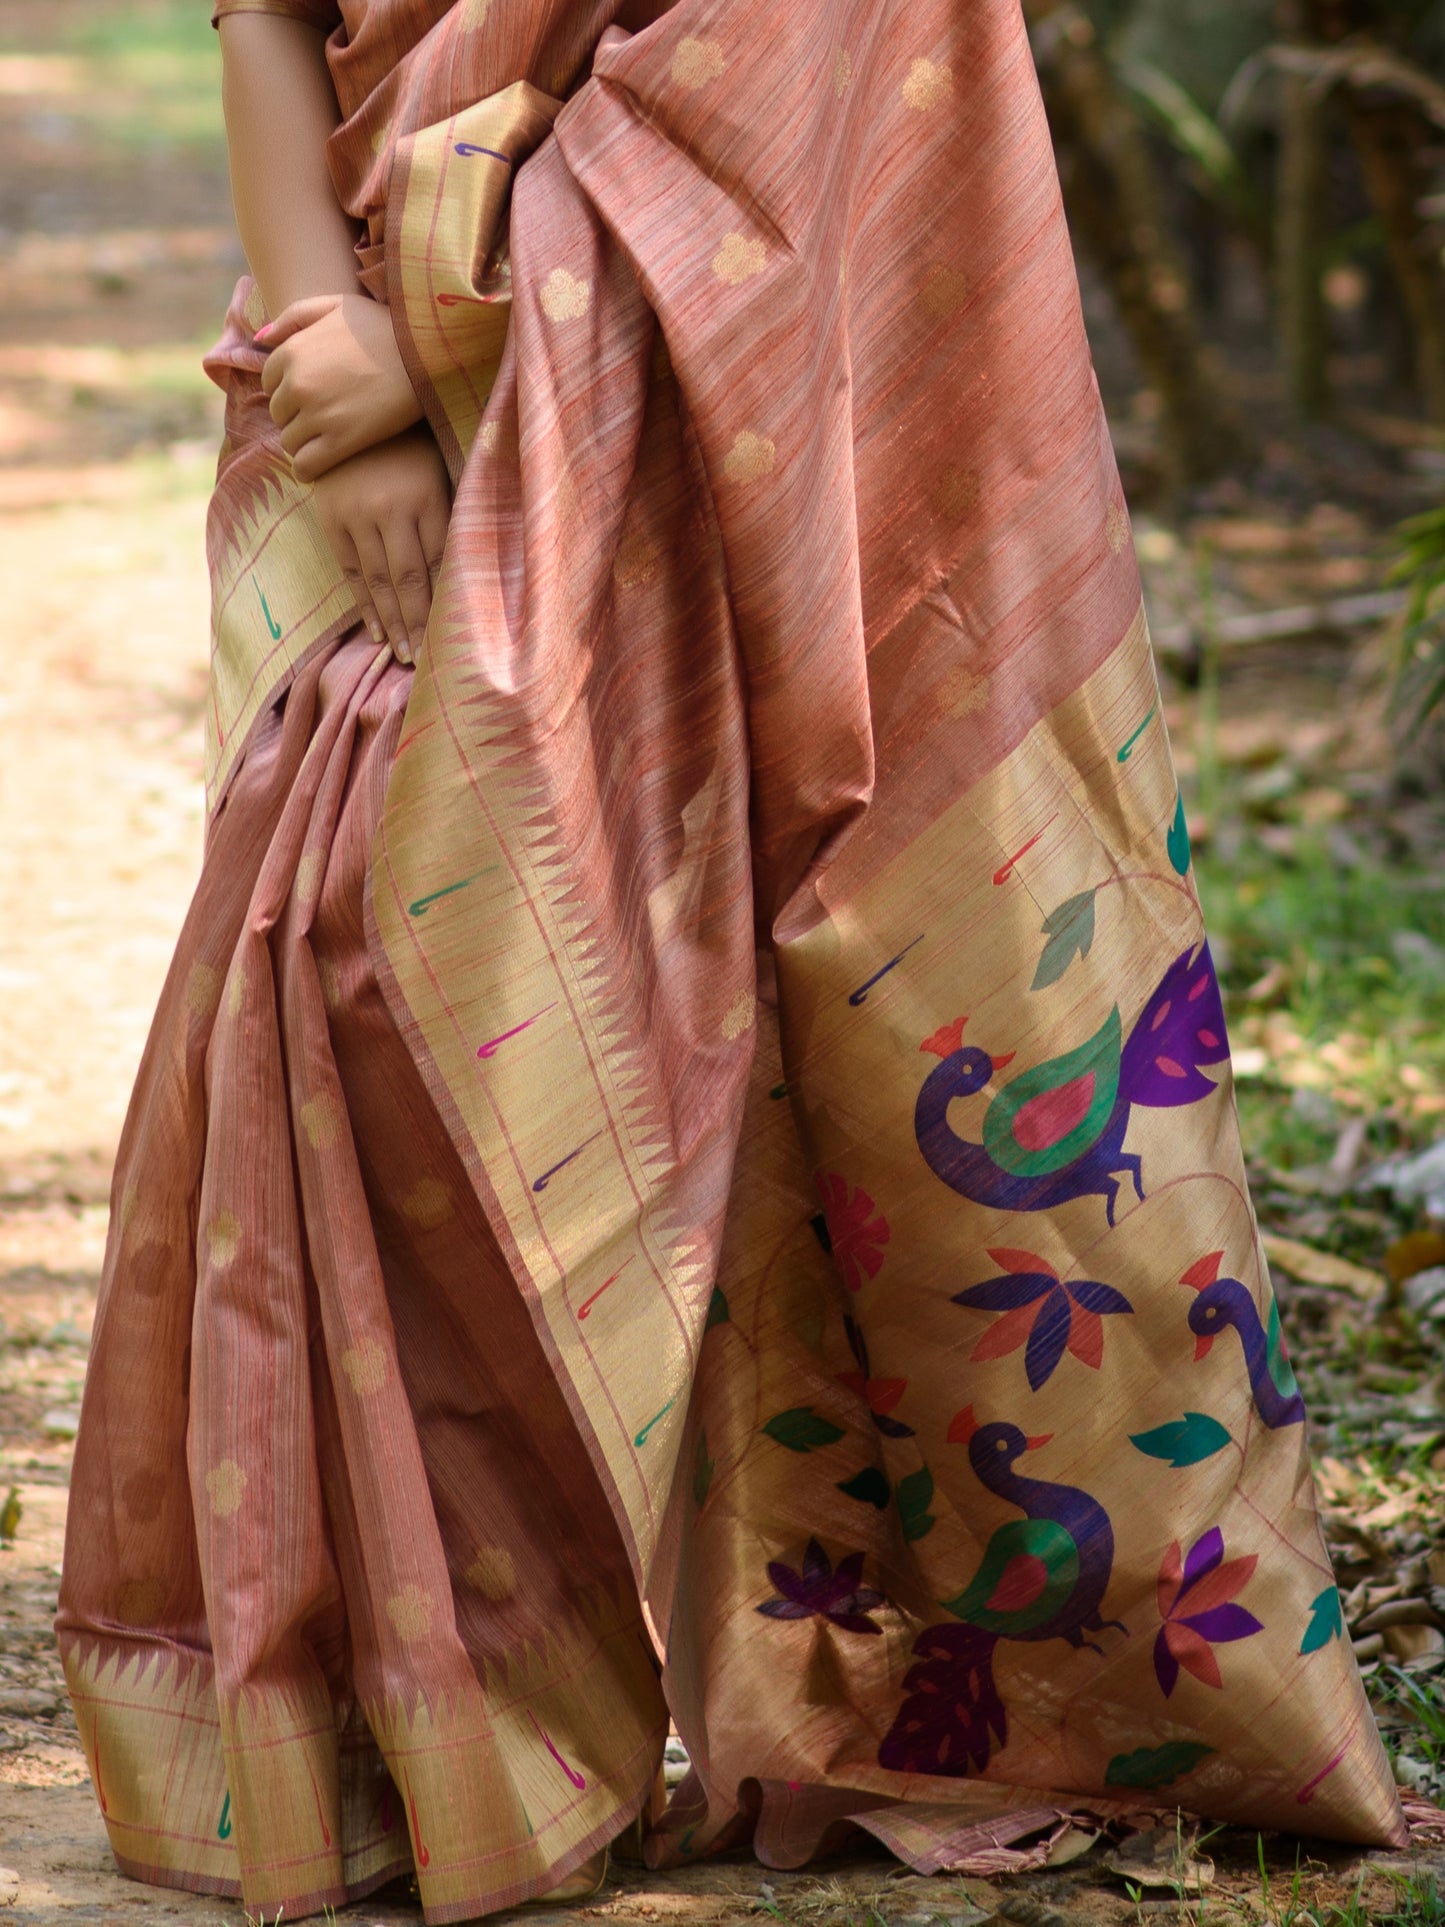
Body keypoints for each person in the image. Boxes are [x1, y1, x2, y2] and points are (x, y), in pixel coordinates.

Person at [58, 1, 1408, 1920]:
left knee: (811, 1029)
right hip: (390, 373)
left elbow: (809, 89)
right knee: (355, 984)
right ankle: (422, 1733)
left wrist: (453, 344)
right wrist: (328, 347)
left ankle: (965, 1665)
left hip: (689, 428)